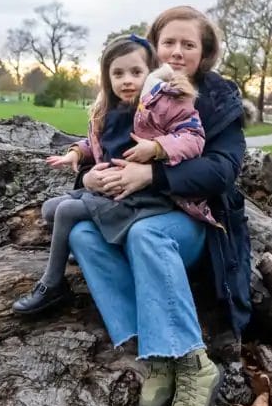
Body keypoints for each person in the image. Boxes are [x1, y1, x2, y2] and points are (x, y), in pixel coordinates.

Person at [69, 6, 250, 406]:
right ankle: (158, 357)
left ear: (204, 51)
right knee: (81, 235)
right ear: (154, 46)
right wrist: (85, 177)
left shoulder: (218, 98)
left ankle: (192, 366)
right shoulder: (138, 89)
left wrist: (152, 175)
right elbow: (97, 148)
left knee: (146, 235)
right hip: (129, 211)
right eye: (169, 42)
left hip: (193, 219)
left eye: (189, 44)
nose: (178, 51)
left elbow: (222, 171)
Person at [12, 34, 217, 315]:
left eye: (136, 72)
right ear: (107, 78)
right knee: (49, 209)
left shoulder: (162, 104)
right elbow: (99, 142)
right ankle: (90, 243)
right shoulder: (107, 109)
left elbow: (193, 138)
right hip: (109, 190)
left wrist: (157, 147)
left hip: (143, 195)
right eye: (118, 74)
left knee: (67, 212)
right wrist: (76, 153)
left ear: (150, 73)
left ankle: (53, 284)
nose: (127, 80)